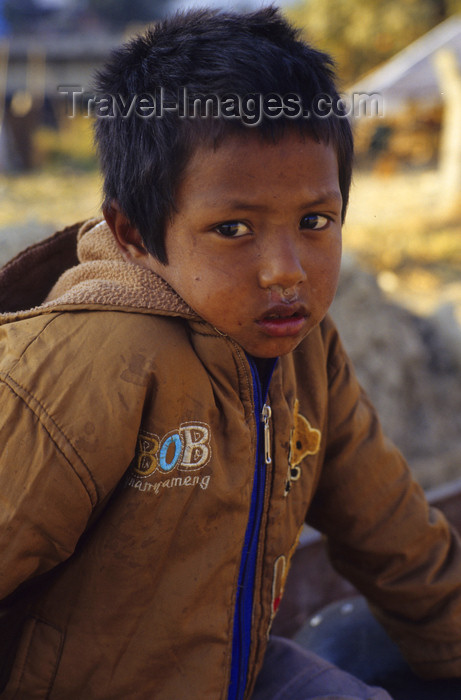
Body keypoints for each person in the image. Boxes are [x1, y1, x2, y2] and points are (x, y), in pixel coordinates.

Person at [0, 7, 460, 699]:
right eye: (233, 228)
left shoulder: (306, 349)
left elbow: (394, 536)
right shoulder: (91, 365)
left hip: (228, 668)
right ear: (131, 232)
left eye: (314, 221)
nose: (286, 270)